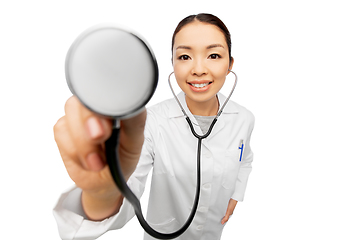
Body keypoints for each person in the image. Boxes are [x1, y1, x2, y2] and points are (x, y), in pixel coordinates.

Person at [53, 13, 255, 240]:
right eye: (185, 56)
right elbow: (130, 188)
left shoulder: (244, 118)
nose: (198, 69)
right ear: (173, 63)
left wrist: (236, 195)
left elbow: (245, 159)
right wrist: (102, 195)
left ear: (230, 65)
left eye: (214, 55)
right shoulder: (153, 121)